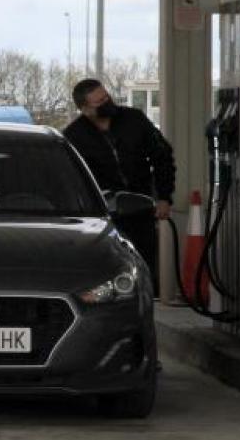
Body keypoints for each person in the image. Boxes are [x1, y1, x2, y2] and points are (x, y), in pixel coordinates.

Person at [63, 78, 175, 293]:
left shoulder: (134, 119)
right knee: (109, 266)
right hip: (102, 214)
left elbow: (162, 156)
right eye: (99, 102)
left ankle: (146, 300)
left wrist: (164, 196)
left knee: (143, 261)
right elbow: (71, 178)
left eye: (106, 97)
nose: (107, 103)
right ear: (85, 109)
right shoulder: (75, 136)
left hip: (141, 205)